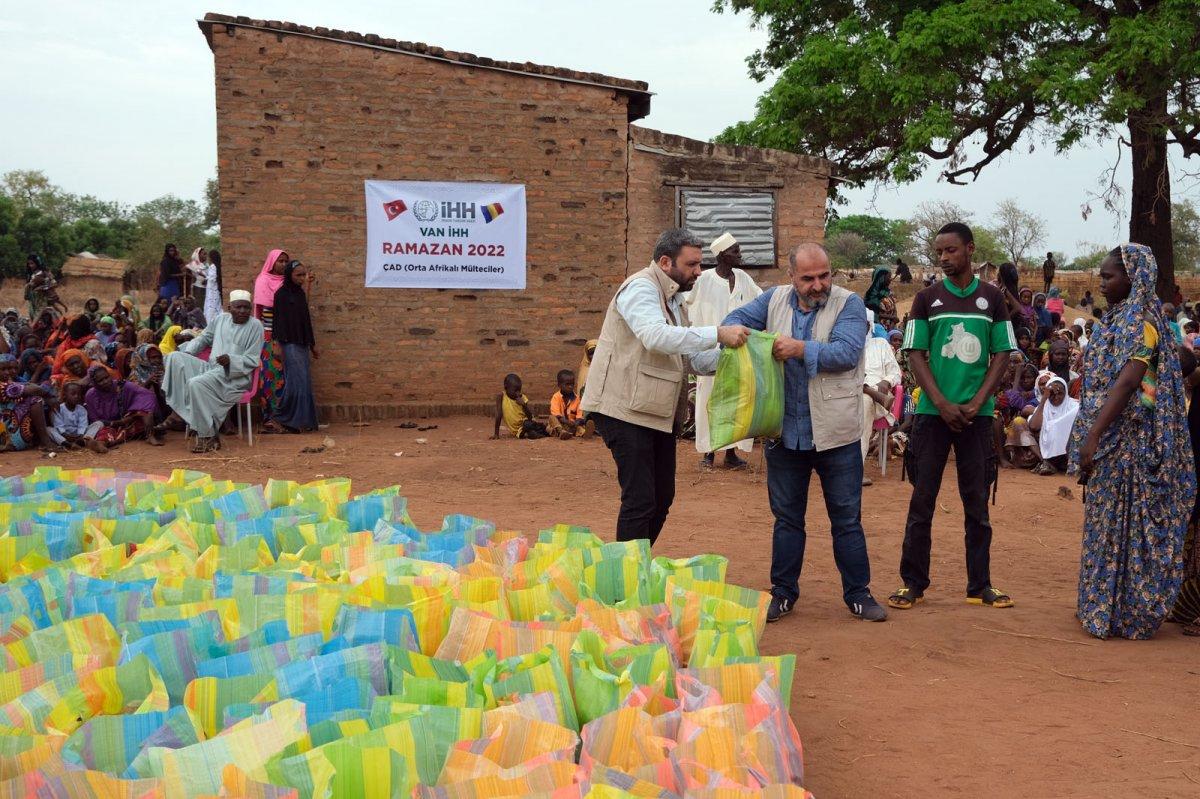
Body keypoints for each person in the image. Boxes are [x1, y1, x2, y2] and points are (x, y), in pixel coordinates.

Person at [720, 242, 883, 621]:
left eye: (824, 275)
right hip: (785, 433)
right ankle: (783, 593)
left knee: (846, 520)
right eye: (807, 278)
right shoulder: (773, 299)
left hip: (836, 435)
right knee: (788, 520)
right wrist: (746, 340)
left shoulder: (850, 304)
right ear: (791, 277)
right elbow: (732, 321)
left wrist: (798, 349)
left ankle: (859, 594)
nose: (817, 284)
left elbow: (844, 354)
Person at [581, 228, 749, 545]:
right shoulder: (640, 289)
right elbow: (655, 337)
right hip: (623, 411)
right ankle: (625, 581)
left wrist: (738, 355)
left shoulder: (673, 300)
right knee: (641, 500)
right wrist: (717, 333)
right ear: (665, 261)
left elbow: (692, 360)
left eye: (700, 264)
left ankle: (634, 567)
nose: (699, 271)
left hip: (653, 411)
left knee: (661, 499)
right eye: (692, 264)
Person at [1069, 244, 1195, 640]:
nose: (1102, 283)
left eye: (1109, 277)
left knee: (1126, 525)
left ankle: (1127, 610)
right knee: (1105, 522)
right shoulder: (1116, 320)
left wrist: (1093, 435)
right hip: (1113, 442)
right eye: (1102, 276)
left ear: (1134, 278)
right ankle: (1100, 602)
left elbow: (1127, 383)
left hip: (1132, 444)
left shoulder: (1143, 323)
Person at [890, 222, 1017, 612]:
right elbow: (914, 354)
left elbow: (1002, 355)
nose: (944, 259)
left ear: (970, 250)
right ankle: (913, 584)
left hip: (977, 417)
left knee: (976, 503)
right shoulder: (925, 299)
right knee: (922, 501)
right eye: (939, 252)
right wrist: (942, 403)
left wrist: (979, 402)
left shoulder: (993, 299)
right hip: (932, 414)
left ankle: (980, 585)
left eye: (951, 251)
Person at [685, 232, 763, 468]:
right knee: (709, 398)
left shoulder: (743, 278)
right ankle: (708, 453)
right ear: (721, 255)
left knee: (735, 398)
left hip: (738, 349)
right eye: (735, 251)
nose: (740, 255)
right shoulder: (705, 279)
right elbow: (688, 305)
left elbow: (760, 300)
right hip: (710, 348)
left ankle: (730, 453)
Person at [163, 290, 265, 453]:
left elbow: (253, 359)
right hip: (212, 369)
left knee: (196, 383)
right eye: (238, 307)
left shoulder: (255, 326)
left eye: (246, 308)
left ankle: (207, 436)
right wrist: (188, 352)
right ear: (229, 307)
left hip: (235, 375)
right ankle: (185, 411)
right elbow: (204, 338)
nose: (242, 311)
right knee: (174, 358)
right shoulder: (220, 319)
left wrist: (231, 360)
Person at [268, 260, 319, 433]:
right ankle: (281, 418)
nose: (302, 278)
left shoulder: (299, 294)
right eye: (299, 275)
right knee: (295, 382)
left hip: (302, 343)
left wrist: (312, 345)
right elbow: (278, 321)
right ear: (289, 275)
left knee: (303, 382)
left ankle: (299, 421)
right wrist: (276, 344)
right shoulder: (281, 294)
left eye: (304, 275)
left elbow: (305, 321)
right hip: (289, 344)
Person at [861, 310, 902, 485]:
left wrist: (886, 381)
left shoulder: (880, 344)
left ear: (869, 326)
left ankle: (856, 469)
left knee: (864, 403)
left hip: (880, 397)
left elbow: (895, 372)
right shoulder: (845, 345)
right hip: (848, 395)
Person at [254, 249, 290, 429]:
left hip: (287, 336)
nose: (283, 264)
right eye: (280, 261)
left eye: (286, 261)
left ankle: (285, 417)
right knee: (270, 377)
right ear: (272, 262)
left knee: (287, 377)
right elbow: (265, 311)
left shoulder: (289, 283)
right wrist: (274, 340)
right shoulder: (263, 281)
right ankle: (269, 418)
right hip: (269, 337)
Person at [85, 366, 163, 447]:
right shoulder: (90, 395)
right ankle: (101, 444)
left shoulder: (121, 385)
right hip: (107, 425)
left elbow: (142, 393)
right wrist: (115, 423)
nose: (105, 381)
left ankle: (150, 436)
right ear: (94, 383)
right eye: (100, 381)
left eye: (106, 377)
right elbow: (95, 420)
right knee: (104, 433)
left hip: (127, 421)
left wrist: (126, 419)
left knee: (144, 411)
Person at [0, 354, 57, 451]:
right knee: (35, 400)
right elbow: (37, 389)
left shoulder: (11, 383)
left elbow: (32, 387)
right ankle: (46, 442)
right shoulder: (4, 387)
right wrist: (49, 396)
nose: (7, 373)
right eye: (3, 369)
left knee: (31, 398)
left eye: (8, 369)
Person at [1028, 375, 1078, 475]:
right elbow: (1034, 426)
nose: (1056, 397)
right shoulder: (1045, 407)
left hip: (1067, 451)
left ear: (1066, 393)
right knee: (1026, 432)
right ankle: (1045, 462)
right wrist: (1044, 399)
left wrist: (1054, 426)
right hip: (1045, 450)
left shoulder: (1075, 406)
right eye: (1052, 394)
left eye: (1060, 394)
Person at [50, 381, 106, 452]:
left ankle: (84, 441)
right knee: (49, 429)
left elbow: (83, 425)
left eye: (79, 394)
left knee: (99, 423)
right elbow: (59, 425)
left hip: (80, 436)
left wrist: (80, 435)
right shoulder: (59, 408)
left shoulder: (81, 409)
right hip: (64, 435)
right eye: (73, 394)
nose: (77, 396)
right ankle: (67, 444)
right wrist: (65, 435)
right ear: (64, 395)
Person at [492, 373, 548, 439]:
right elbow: (499, 415)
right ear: (506, 387)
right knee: (527, 433)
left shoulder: (522, 398)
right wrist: (496, 434)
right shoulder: (501, 397)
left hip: (527, 423)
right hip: (518, 431)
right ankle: (535, 433)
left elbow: (530, 417)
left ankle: (545, 429)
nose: (518, 393)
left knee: (527, 424)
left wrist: (524, 405)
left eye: (519, 390)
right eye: (515, 390)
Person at [547, 369, 594, 439]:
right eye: (567, 384)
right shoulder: (556, 397)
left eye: (572, 384)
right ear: (559, 385)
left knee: (579, 427)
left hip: (572, 426)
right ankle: (561, 432)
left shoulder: (577, 398)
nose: (570, 386)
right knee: (552, 418)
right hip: (559, 425)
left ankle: (585, 433)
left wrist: (576, 423)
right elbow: (557, 416)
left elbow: (579, 416)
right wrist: (567, 422)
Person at [204, 250, 224, 325]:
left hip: (212, 292)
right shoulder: (218, 266)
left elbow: (211, 279)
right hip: (216, 291)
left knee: (211, 308)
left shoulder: (213, 267)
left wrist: (203, 275)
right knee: (217, 307)